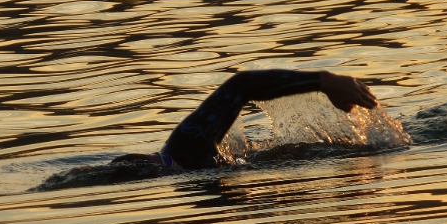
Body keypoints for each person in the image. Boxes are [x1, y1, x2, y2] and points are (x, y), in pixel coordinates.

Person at [112, 69, 378, 170]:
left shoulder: (188, 146)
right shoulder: (191, 164)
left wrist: (325, 81)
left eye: (161, 161)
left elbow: (241, 85)